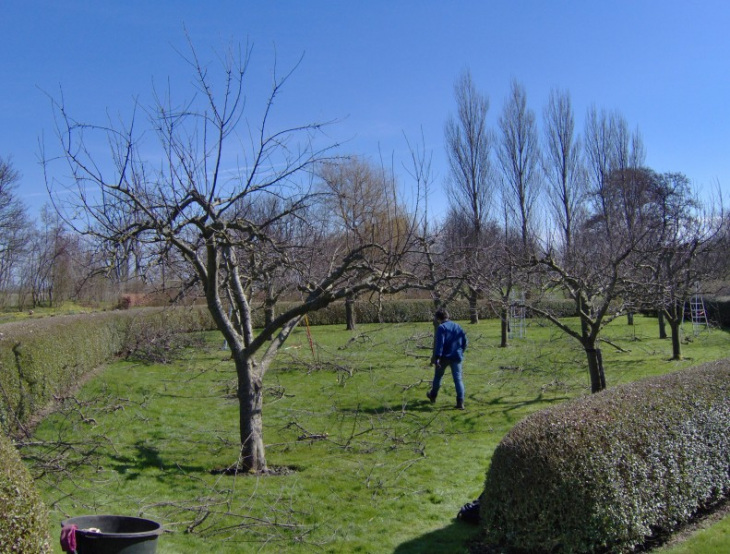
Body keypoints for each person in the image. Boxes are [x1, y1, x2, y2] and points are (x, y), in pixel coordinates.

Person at [427, 308, 468, 409]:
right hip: (456, 356)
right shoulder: (457, 326)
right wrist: (461, 351)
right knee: (458, 379)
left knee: (438, 377)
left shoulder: (442, 327)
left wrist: (437, 357)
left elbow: (440, 344)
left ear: (438, 318)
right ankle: (460, 402)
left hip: (444, 357)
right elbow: (465, 341)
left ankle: (433, 395)